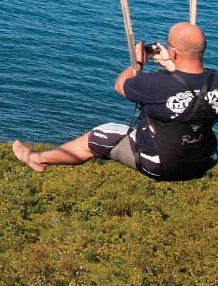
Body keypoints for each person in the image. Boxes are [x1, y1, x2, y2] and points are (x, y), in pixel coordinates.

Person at [13, 22, 217, 180]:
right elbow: (192, 89)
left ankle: (37, 159)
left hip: (160, 164)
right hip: (202, 162)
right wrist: (171, 64)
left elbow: (121, 85)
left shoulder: (155, 84)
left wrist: (138, 63)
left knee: (99, 135)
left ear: (172, 52)